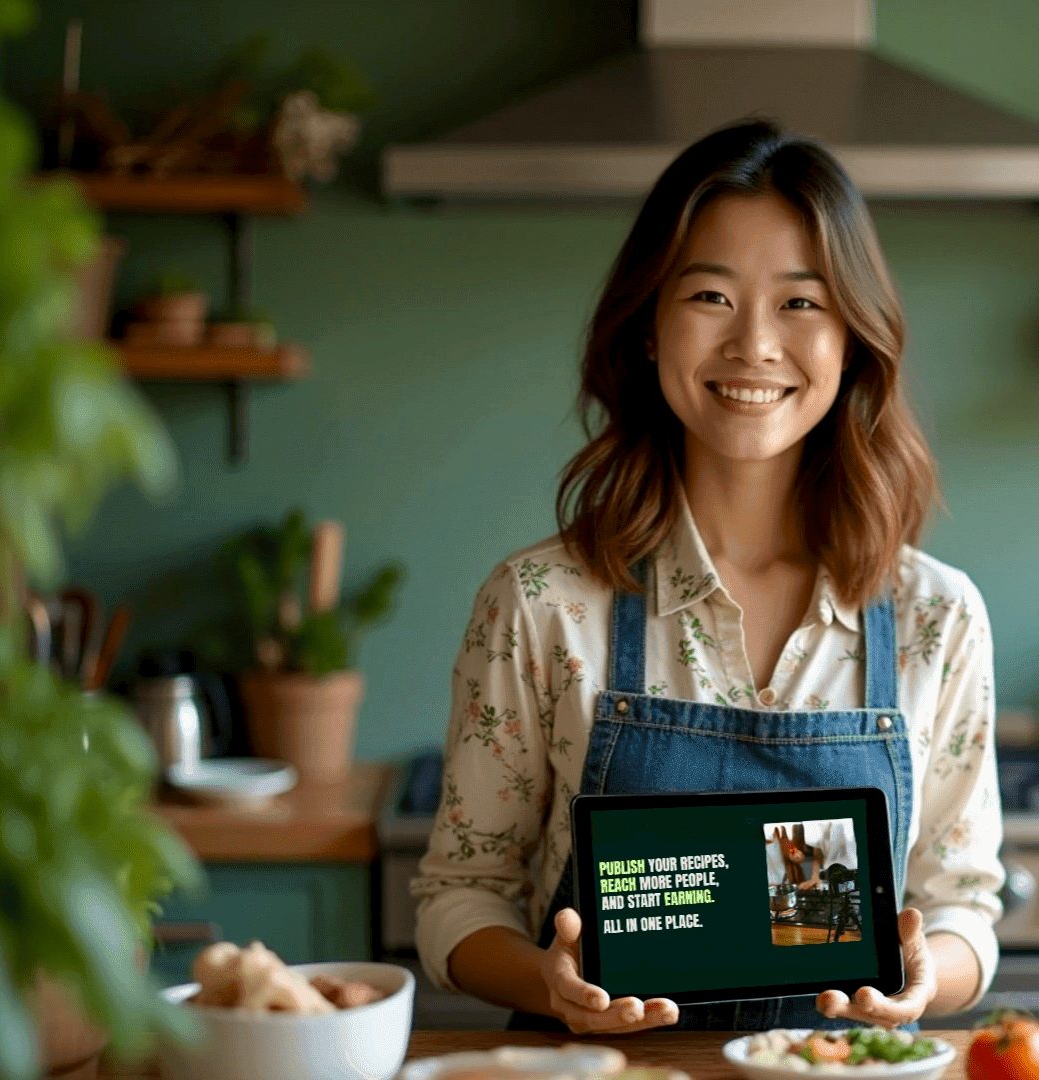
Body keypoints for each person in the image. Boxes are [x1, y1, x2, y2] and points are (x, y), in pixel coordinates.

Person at [412, 120, 1004, 1034]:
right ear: (650, 327)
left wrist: (931, 978)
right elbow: (459, 895)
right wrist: (550, 986)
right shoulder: (541, 603)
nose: (755, 344)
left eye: (801, 302)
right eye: (711, 296)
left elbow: (963, 905)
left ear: (853, 341)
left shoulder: (937, 615)